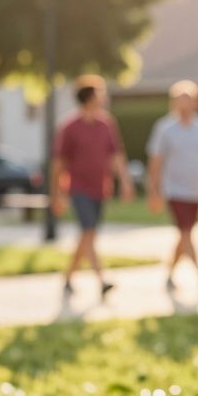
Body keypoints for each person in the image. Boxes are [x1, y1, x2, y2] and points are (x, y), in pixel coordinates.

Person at [53, 75, 134, 298]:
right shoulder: (69, 127)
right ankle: (102, 278)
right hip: (78, 187)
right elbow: (59, 164)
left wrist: (125, 182)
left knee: (88, 235)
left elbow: (116, 155)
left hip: (100, 187)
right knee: (88, 231)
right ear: (89, 97)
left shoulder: (106, 124)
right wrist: (57, 194)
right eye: (100, 93)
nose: (103, 97)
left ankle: (68, 277)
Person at [147, 80, 198, 294]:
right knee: (185, 232)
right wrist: (153, 190)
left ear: (196, 102)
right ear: (174, 102)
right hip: (173, 190)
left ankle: (169, 275)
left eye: (189, 99)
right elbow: (156, 161)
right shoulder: (164, 128)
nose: (185, 104)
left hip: (196, 190)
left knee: (185, 234)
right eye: (180, 99)